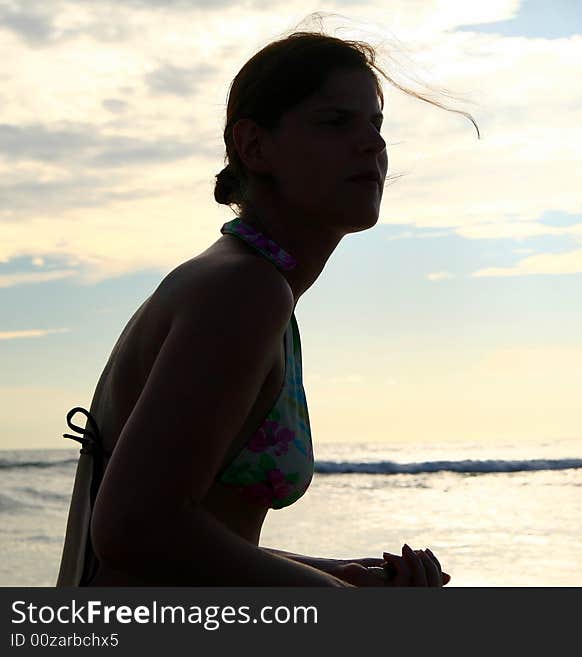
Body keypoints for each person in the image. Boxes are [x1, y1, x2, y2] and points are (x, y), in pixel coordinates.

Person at [56, 21, 478, 587]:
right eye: (335, 122)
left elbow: (196, 541)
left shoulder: (245, 284)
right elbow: (135, 529)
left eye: (376, 125)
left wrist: (346, 576)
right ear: (253, 146)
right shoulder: (241, 292)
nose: (372, 145)